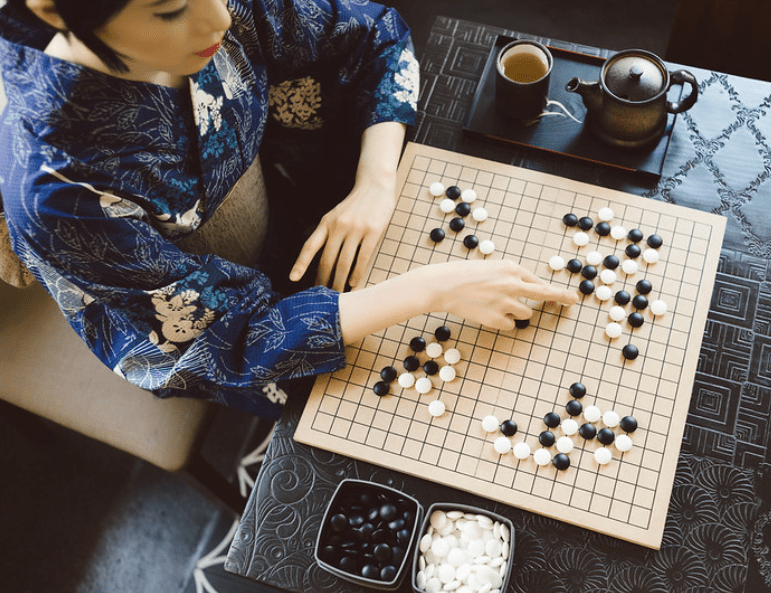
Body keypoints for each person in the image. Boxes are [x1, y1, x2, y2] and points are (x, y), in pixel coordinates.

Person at [0, 0, 578, 419]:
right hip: (204, 326)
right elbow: (225, 342)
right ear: (52, 11)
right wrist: (430, 292)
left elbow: (371, 33)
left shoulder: (211, 8)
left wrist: (375, 183)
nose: (220, 19)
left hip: (289, 194)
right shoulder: (54, 189)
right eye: (171, 8)